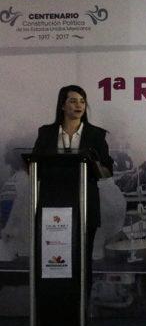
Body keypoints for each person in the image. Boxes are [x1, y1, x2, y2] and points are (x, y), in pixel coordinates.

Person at [32, 85, 114, 292]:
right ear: (62, 105)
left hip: (84, 205)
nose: (79, 105)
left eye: (82, 101)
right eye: (73, 101)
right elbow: (34, 165)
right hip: (52, 206)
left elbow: (107, 171)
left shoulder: (96, 134)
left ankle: (82, 306)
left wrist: (96, 165)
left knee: (82, 260)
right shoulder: (46, 133)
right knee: (53, 260)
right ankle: (54, 304)